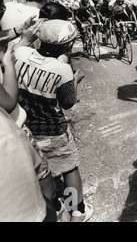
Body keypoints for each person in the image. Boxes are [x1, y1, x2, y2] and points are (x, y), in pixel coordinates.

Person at [14, 19, 93, 222]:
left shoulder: (20, 54)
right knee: (69, 168)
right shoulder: (61, 69)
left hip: (26, 127)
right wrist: (75, 79)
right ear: (67, 46)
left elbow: (17, 50)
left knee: (40, 172)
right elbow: (67, 103)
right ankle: (77, 211)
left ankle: (56, 210)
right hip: (53, 128)